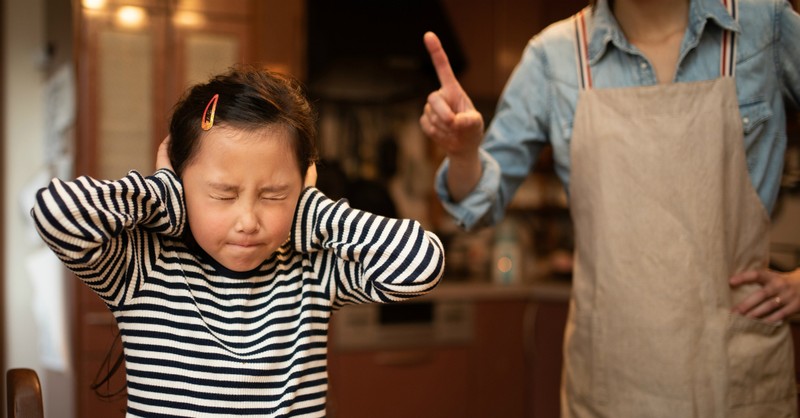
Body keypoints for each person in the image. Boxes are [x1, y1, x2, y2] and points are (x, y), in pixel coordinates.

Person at [420, 0, 800, 416]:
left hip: (736, 381)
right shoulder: (555, 56)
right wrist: (464, 154)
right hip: (611, 382)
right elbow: (478, 204)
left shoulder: (768, 27)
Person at [32, 66, 445, 417]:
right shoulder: (143, 265)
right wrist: (164, 195)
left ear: (303, 185)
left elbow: (421, 264)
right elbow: (55, 213)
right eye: (223, 195)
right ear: (179, 179)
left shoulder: (310, 270)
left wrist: (309, 210)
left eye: (273, 195)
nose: (248, 221)